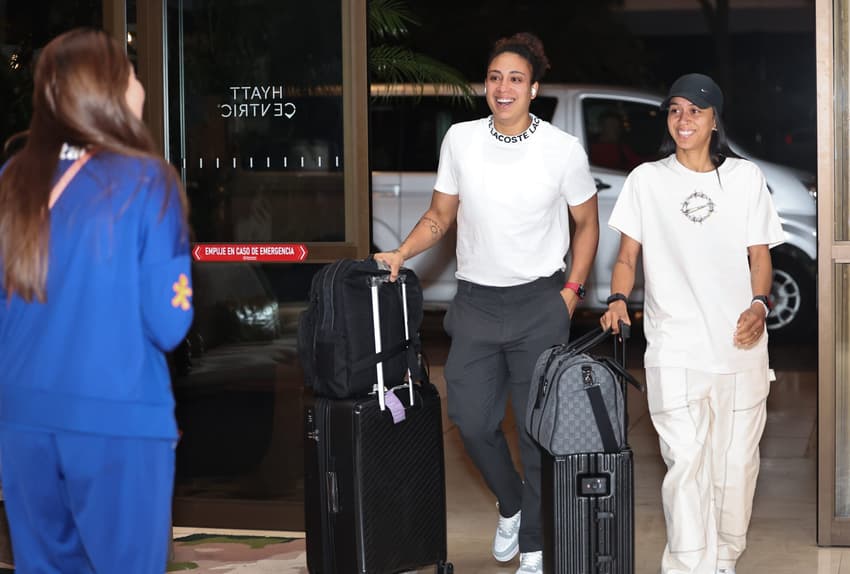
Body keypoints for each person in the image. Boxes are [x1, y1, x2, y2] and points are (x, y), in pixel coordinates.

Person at [375, 32, 599, 574]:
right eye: (495, 77)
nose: (503, 87)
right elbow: (440, 215)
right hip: (475, 304)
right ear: (486, 85)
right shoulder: (461, 140)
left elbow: (587, 224)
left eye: (515, 79)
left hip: (539, 305)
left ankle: (538, 549)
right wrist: (402, 252)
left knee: (534, 433)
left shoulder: (562, 150)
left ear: (534, 88)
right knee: (470, 421)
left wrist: (570, 292)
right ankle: (514, 504)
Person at [0, 28, 193, 573]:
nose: (140, 85)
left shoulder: (12, 178)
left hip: (20, 420)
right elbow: (169, 322)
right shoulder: (147, 179)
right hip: (117, 420)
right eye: (131, 73)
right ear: (106, 89)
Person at [600, 73, 785, 574]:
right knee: (685, 466)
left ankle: (723, 556)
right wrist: (618, 297)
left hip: (739, 347)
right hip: (675, 348)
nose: (684, 119)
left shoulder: (745, 179)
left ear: (714, 120)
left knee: (735, 468)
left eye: (695, 110)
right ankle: (687, 565)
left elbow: (760, 258)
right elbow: (626, 257)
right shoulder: (647, 180)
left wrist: (759, 305)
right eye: (675, 109)